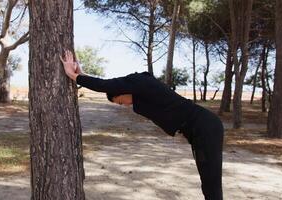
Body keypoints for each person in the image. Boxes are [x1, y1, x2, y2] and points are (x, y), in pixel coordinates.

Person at [60, 50, 224, 200]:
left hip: (204, 127)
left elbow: (105, 85)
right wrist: (81, 74)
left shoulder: (138, 83)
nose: (124, 105)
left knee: (211, 180)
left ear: (121, 92)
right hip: (200, 129)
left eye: (119, 102)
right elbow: (107, 85)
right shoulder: (139, 88)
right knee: (208, 179)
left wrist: (73, 75)